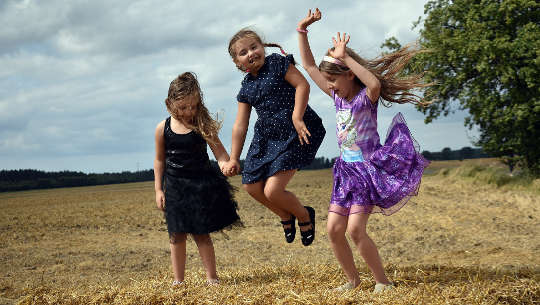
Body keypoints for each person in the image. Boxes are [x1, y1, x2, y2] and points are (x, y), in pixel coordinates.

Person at [297, 9, 430, 292]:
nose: (330, 87)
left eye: (333, 80)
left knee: (355, 230)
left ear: (348, 74)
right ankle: (353, 281)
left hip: (367, 171)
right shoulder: (336, 97)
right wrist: (302, 31)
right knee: (334, 230)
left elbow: (374, 83)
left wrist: (345, 57)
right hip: (345, 171)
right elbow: (309, 67)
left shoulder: (364, 98)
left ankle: (383, 282)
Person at [222, 29, 326, 246]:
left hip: (293, 132)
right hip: (266, 138)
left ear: (262, 47)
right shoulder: (246, 88)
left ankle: (305, 215)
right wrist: (233, 158)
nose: (251, 53)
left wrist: (297, 117)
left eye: (254, 47)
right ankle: (285, 215)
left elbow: (302, 85)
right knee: (251, 186)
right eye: (243, 52)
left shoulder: (277, 63)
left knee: (272, 190)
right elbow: (240, 125)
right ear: (237, 63)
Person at [153, 72, 241, 286]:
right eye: (183, 107)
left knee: (201, 234)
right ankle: (178, 281)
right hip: (174, 187)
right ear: (169, 104)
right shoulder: (162, 129)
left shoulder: (202, 125)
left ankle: (212, 278)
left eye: (193, 106)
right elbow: (159, 161)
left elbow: (219, 153)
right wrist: (158, 190)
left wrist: (226, 165)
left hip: (200, 186)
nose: (188, 112)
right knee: (176, 235)